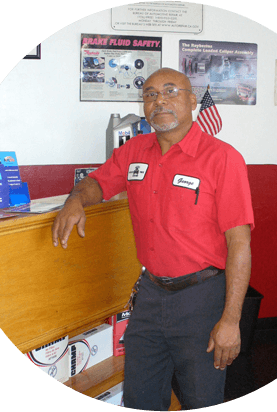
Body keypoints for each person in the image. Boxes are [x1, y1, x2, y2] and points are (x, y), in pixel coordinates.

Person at [52, 67, 254, 410]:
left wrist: (231, 320)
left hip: (201, 300)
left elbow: (240, 243)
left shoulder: (223, 159)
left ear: (192, 100)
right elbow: (98, 184)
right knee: (140, 397)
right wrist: (75, 199)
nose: (159, 100)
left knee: (201, 399)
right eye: (149, 94)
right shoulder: (134, 151)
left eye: (171, 91)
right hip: (149, 296)